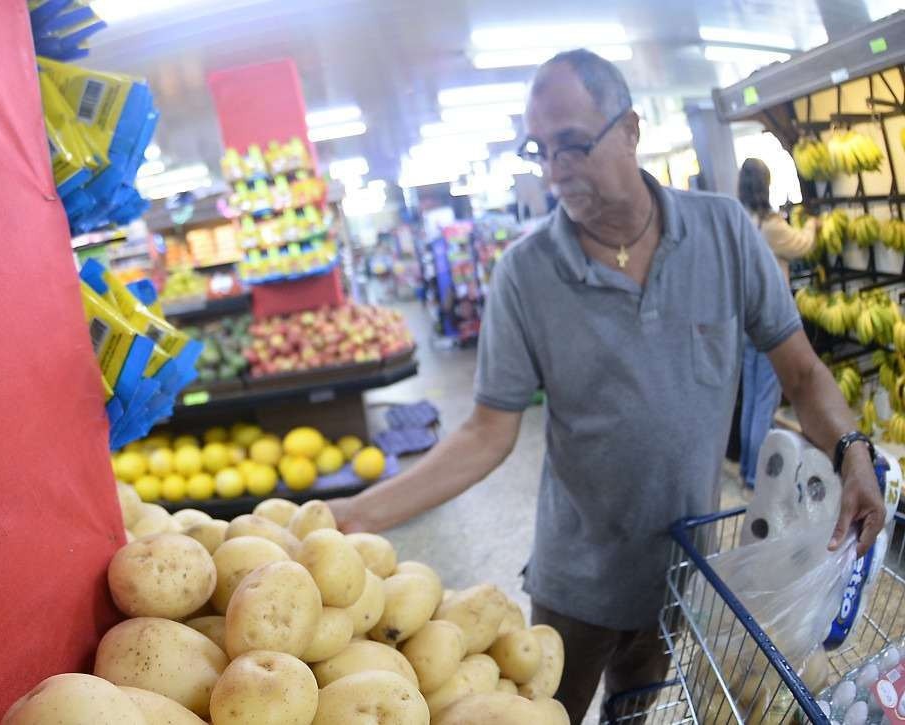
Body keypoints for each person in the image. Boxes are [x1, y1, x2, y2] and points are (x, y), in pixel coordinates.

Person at [329, 49, 885, 724]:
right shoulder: (525, 276)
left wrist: (852, 449)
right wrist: (362, 513)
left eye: (572, 145)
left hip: (680, 571)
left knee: (635, 708)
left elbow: (800, 372)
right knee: (546, 713)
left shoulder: (725, 232)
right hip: (576, 585)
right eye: (542, 151)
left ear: (630, 129)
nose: (556, 171)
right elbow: (485, 432)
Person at [736, 158, 817, 489]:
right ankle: (757, 475)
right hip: (770, 321)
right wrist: (813, 226)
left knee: (752, 397)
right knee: (766, 402)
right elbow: (801, 245)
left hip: (747, 322)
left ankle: (745, 468)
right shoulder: (770, 225)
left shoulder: (741, 219)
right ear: (765, 186)